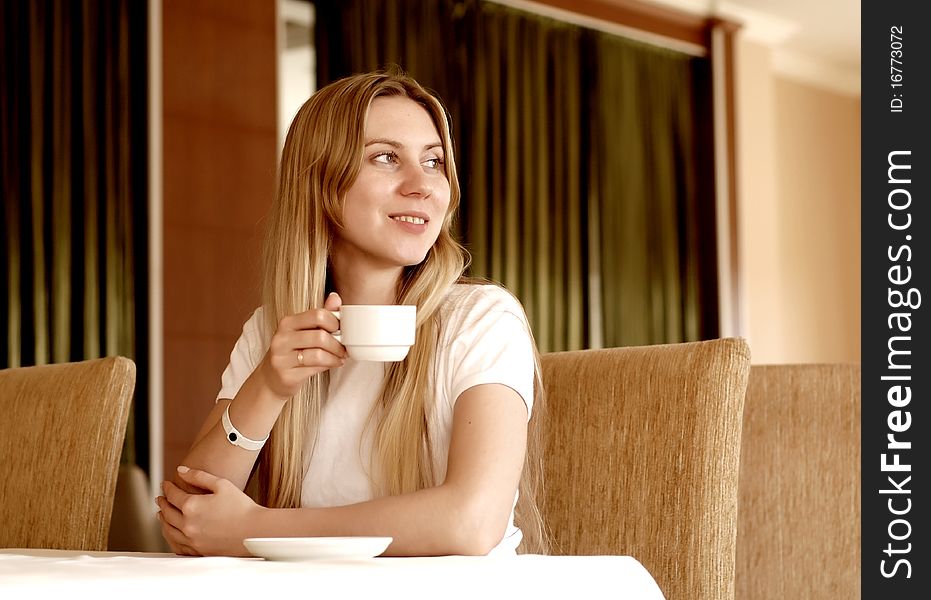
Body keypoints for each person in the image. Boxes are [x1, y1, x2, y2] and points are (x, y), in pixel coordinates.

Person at [156, 70, 547, 557]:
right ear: (321, 181)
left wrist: (255, 529)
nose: (422, 185)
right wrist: (269, 387)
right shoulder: (272, 330)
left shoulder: (481, 319)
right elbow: (190, 516)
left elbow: (470, 522)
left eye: (434, 162)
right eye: (386, 158)